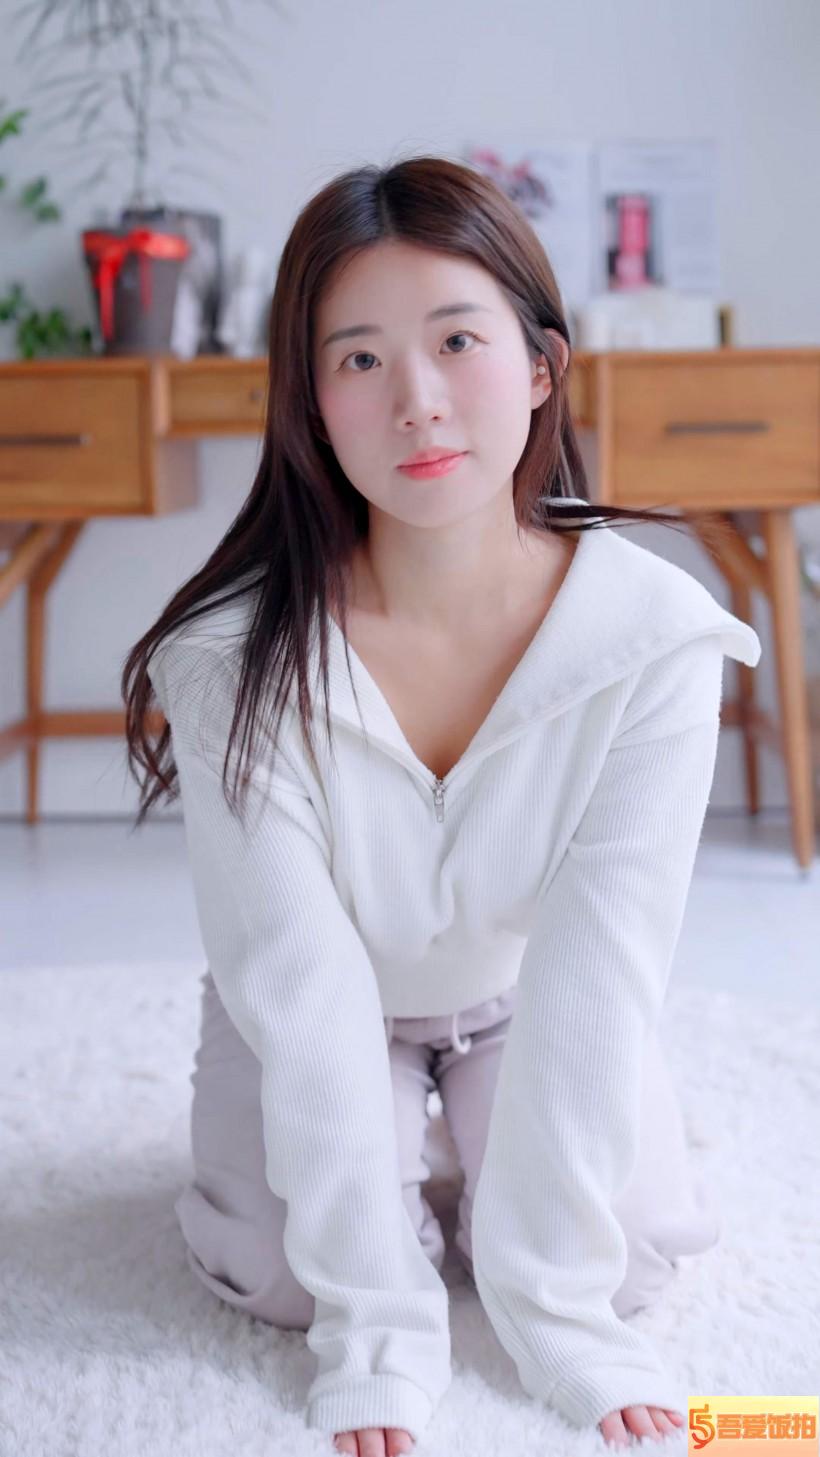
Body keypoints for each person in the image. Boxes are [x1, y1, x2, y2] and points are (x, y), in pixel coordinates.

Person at [122, 155, 761, 1457]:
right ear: (309, 401)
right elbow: (298, 982)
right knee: (284, 1277)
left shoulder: (654, 638)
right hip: (307, 1007)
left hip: (520, 996)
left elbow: (601, 964)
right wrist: (376, 1320)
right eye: (358, 359)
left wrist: (558, 1304)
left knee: (627, 1260)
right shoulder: (231, 659)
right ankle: (425, 1164)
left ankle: (474, 1149)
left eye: (457, 340)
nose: (414, 400)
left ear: (540, 367)